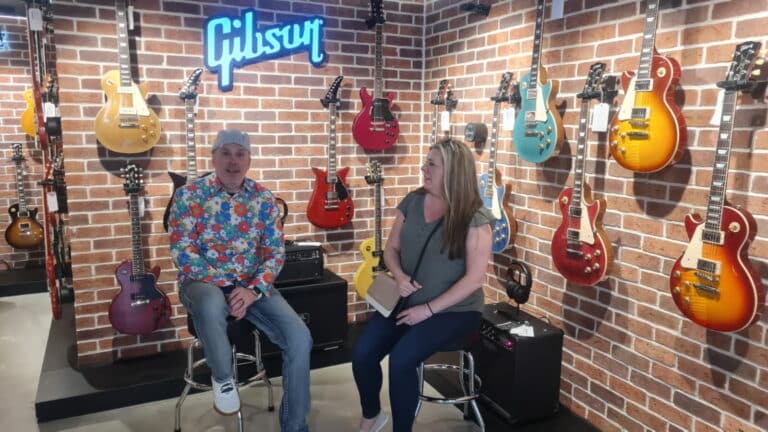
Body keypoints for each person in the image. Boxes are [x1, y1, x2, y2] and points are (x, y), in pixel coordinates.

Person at [168, 129, 312, 432]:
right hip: (202, 282)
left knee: (300, 338)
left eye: (240, 154)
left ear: (249, 160)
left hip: (251, 286)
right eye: (226, 153)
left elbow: (275, 253)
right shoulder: (188, 196)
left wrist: (253, 290)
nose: (233, 161)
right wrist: (227, 286)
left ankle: (295, 426)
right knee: (210, 302)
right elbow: (183, 252)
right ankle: (223, 378)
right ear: (214, 158)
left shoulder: (263, 199)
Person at [352, 139, 494, 432]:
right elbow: (391, 250)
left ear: (453, 171)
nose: (423, 168)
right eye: (425, 162)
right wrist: (399, 276)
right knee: (363, 354)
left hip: (454, 311)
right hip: (405, 302)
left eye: (432, 164)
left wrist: (427, 310)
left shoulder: (476, 218)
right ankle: (372, 415)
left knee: (402, 360)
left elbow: (473, 280)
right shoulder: (413, 201)